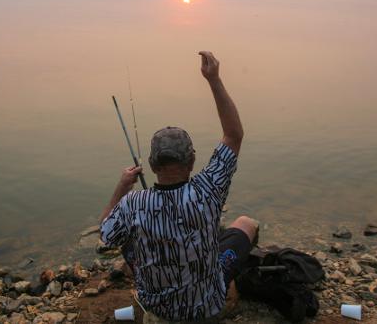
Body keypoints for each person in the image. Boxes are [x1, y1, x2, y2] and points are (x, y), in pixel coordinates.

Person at [99, 51, 258, 321]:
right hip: (207, 307)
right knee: (246, 224)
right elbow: (234, 135)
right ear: (192, 160)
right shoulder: (209, 189)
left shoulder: (133, 203)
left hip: (158, 309)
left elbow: (105, 234)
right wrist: (214, 79)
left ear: (151, 165)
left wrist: (122, 187)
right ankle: (231, 289)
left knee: (123, 236)